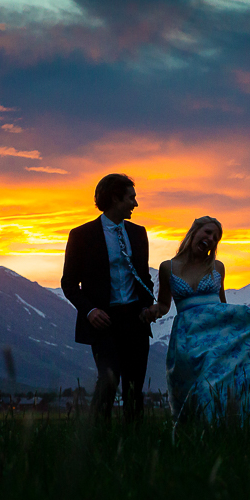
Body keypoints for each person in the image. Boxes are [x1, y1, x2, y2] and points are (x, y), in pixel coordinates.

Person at [146, 216, 250, 427]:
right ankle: (195, 437)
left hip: (216, 337)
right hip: (188, 338)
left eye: (216, 238)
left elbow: (223, 307)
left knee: (214, 385)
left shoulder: (217, 267)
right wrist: (152, 311)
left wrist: (247, 322)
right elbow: (164, 305)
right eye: (207, 232)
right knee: (192, 391)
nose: (211, 239)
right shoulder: (168, 267)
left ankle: (233, 427)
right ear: (194, 232)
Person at [61, 173, 156, 424]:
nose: (135, 204)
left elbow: (144, 277)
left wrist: (148, 305)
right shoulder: (82, 235)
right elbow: (68, 283)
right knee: (108, 381)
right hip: (104, 322)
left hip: (136, 320)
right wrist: (90, 311)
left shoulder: (138, 233)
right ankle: (96, 439)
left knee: (134, 386)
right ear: (115, 198)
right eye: (131, 198)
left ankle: (133, 444)